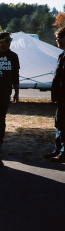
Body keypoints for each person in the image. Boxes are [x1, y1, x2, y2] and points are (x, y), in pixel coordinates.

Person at [0, 31, 20, 167]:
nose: (9, 43)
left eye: (10, 40)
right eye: (7, 40)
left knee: (1, 119)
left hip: (5, 93)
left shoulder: (13, 56)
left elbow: (15, 75)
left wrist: (17, 92)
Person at [45, 26, 65, 163]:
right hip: (60, 97)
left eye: (58, 38)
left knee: (63, 125)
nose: (56, 40)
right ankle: (58, 150)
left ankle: (63, 153)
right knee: (58, 124)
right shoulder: (62, 55)